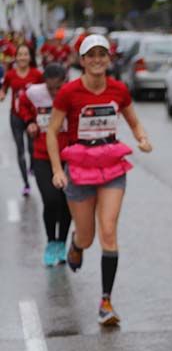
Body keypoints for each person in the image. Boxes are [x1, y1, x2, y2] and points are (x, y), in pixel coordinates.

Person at [47, 34, 153, 327]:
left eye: (102, 54)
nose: (97, 60)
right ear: (81, 61)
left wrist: (142, 138)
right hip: (79, 168)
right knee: (88, 236)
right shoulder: (69, 92)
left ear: (109, 59)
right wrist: (57, 169)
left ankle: (106, 302)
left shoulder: (118, 89)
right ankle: (76, 245)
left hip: (111, 166)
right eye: (91, 55)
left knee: (108, 230)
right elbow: (53, 131)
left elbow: (133, 120)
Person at [19, 63, 72, 266]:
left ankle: (62, 243)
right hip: (42, 156)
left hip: (68, 155)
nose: (55, 92)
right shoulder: (34, 93)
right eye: (50, 88)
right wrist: (29, 122)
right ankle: (51, 242)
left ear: (65, 82)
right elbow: (21, 105)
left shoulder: (72, 93)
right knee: (51, 201)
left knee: (67, 202)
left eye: (58, 87)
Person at [0, 43, 44, 196]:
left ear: (30, 57)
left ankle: (32, 166)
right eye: (20, 54)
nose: (23, 57)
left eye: (26, 54)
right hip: (16, 117)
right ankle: (26, 183)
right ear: (16, 57)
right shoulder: (11, 74)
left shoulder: (37, 74)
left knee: (32, 148)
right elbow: (4, 88)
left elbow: (45, 92)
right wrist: (2, 94)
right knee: (20, 150)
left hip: (32, 118)